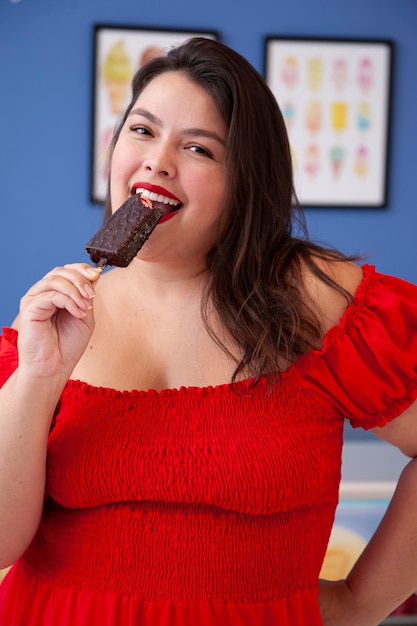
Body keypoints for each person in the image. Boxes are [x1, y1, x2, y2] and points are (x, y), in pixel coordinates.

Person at [0, 36, 416, 626]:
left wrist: (360, 603)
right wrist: (39, 376)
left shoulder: (315, 300)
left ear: (247, 181)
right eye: (142, 131)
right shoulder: (54, 321)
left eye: (198, 148)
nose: (157, 161)